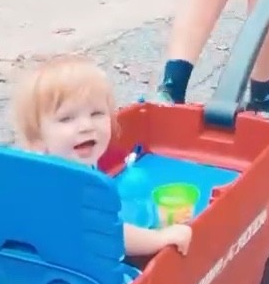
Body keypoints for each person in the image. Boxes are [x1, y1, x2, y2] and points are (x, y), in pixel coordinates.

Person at [12, 54, 192, 258]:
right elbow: (111, 234)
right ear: (37, 138)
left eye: (97, 113)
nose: (86, 126)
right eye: (66, 118)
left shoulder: (59, 162)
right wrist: (160, 239)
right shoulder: (64, 183)